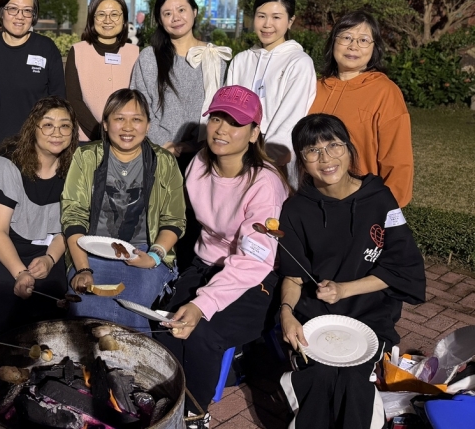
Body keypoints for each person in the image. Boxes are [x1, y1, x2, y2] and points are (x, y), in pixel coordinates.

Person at [277, 113, 425, 428]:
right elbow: (293, 276)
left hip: (370, 314)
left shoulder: (380, 199)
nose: (326, 158)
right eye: (313, 150)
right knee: (320, 376)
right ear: (302, 160)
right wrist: (286, 313)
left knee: (354, 380)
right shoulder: (296, 209)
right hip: (316, 315)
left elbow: (403, 267)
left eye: (334, 145)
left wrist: (345, 289)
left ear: (349, 148)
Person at [153, 85, 288, 427]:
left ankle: (195, 414)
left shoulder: (264, 185)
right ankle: (164, 402)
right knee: (167, 325)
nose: (221, 129)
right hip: (205, 264)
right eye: (216, 119)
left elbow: (254, 260)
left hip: (254, 277)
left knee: (202, 334)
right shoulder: (200, 162)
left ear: (254, 133)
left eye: (235, 123)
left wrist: (203, 304)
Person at [62, 89, 186, 332]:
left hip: (145, 251)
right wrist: (83, 269)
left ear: (148, 125)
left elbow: (174, 219)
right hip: (91, 251)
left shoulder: (163, 161)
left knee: (132, 306)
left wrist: (154, 257)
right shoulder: (86, 157)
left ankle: (135, 356)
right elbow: (73, 215)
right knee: (85, 306)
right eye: (119, 118)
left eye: (136, 119)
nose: (128, 127)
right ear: (105, 124)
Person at [0, 96, 76, 339]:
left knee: (54, 316)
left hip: (41, 247)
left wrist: (49, 260)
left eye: (64, 125)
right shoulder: (6, 164)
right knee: (14, 320)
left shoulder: (74, 168)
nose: (57, 132)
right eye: (48, 124)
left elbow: (68, 227)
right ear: (33, 128)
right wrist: (20, 272)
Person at [308, 11, 413, 206]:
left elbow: (397, 159)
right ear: (333, 42)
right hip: (310, 197)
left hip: (360, 201)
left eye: (363, 40)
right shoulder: (313, 87)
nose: (353, 46)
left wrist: (387, 207)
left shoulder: (384, 91)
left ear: (374, 48)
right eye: (346, 37)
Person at [226, 0, 316, 187]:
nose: (267, 24)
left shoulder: (299, 62)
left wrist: (268, 157)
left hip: (276, 157)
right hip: (238, 150)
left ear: (290, 21)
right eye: (261, 16)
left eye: (276, 17)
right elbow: (229, 110)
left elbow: (292, 114)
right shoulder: (241, 60)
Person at [131, 0, 230, 158]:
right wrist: (163, 143)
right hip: (157, 151)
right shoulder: (150, 57)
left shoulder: (214, 57)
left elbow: (222, 108)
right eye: (167, 13)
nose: (175, 17)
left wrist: (194, 145)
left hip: (204, 152)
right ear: (160, 20)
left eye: (181, 10)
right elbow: (139, 105)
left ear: (194, 11)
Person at [0, 0, 66, 143]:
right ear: (2, 12)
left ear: (34, 16)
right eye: (13, 9)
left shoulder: (46, 48)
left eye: (27, 10)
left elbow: (58, 101)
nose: (20, 16)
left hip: (34, 144)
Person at [65, 0, 139, 142]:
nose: (107, 20)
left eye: (114, 14)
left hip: (127, 138)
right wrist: (100, 133)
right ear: (92, 18)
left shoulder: (135, 53)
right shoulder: (78, 51)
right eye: (101, 14)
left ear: (124, 19)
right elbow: (74, 100)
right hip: (86, 140)